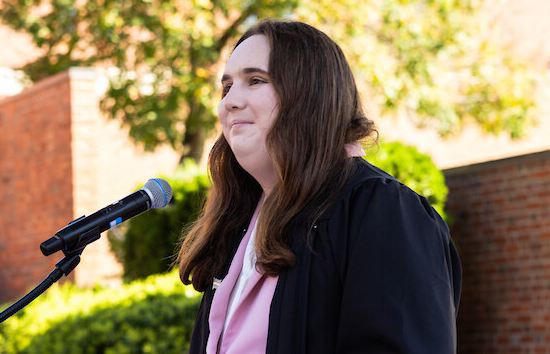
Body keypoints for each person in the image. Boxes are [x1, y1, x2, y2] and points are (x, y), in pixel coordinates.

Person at [176, 20, 462, 353]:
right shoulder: (239, 225)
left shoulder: (381, 210)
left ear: (309, 94)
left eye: (255, 81)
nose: (229, 102)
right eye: (226, 88)